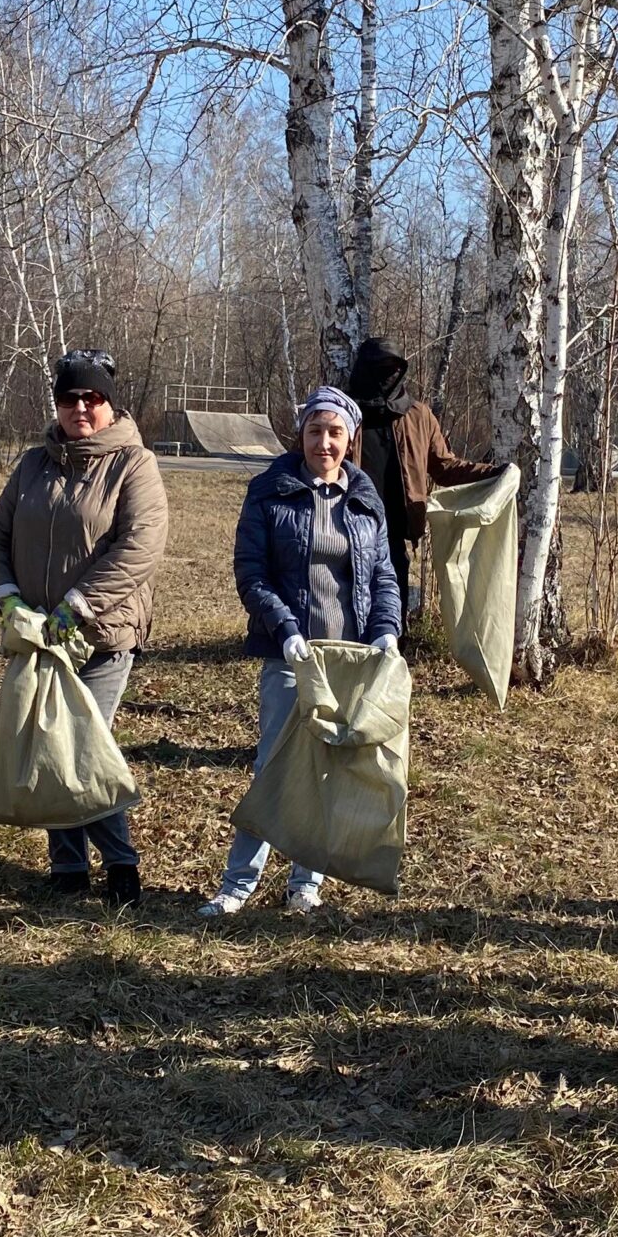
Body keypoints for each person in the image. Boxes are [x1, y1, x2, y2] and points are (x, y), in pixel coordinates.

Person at [0, 349, 171, 906]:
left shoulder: (134, 464)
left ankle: (121, 865)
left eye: (92, 398)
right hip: (40, 635)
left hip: (102, 635)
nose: (80, 408)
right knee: (49, 743)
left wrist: (79, 605)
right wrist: (8, 599)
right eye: (69, 398)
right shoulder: (34, 464)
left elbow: (140, 548)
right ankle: (68, 865)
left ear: (110, 403)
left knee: (83, 746)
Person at [206, 385, 404, 918]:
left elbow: (384, 575)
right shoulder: (270, 490)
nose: (324, 443)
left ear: (350, 438)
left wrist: (386, 630)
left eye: (335, 432)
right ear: (302, 435)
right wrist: (286, 629)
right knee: (273, 768)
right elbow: (252, 572)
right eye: (315, 431)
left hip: (348, 661)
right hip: (292, 658)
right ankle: (237, 886)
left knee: (326, 772)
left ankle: (305, 885)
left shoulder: (365, 498)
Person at [343, 337, 501, 612]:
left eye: (393, 367)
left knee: (392, 609)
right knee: (346, 609)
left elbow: (444, 467)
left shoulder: (418, 415)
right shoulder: (342, 413)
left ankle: (396, 640)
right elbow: (308, 459)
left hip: (393, 533)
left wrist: (494, 473)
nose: (387, 374)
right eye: (379, 367)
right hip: (343, 530)